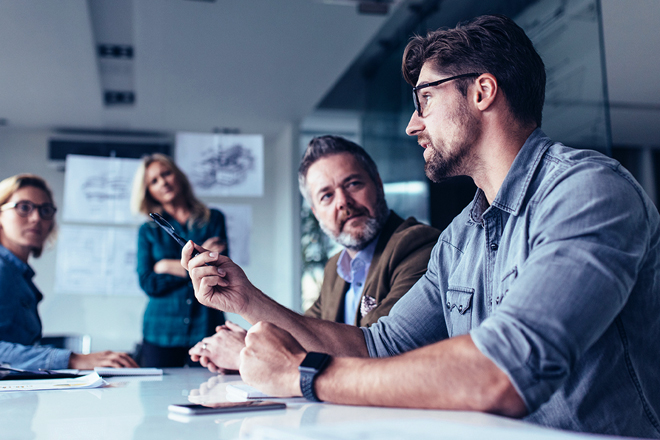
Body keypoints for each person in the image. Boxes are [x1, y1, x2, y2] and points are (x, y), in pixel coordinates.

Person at [183, 15, 660, 438]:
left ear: (482, 91)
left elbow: (504, 371)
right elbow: (378, 346)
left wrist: (302, 375)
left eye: (426, 99)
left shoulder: (588, 191)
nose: (413, 125)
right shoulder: (460, 238)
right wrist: (245, 299)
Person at [188, 136, 440, 372]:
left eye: (353, 184)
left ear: (378, 184)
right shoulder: (335, 268)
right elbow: (304, 335)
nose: (343, 201)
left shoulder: (417, 245)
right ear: (316, 212)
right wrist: (251, 340)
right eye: (327, 196)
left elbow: (375, 352)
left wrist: (246, 352)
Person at [0, 174, 138, 370]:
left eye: (45, 210)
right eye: (23, 207)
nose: (36, 218)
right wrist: (73, 359)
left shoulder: (19, 275)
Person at [132, 154, 228, 368]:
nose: (163, 182)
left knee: (209, 393)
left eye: (166, 174)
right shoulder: (148, 231)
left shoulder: (213, 219)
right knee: (157, 398)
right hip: (161, 331)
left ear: (178, 176)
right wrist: (196, 265)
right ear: (149, 191)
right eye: (154, 181)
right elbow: (148, 282)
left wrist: (165, 266)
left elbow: (218, 271)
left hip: (206, 326)